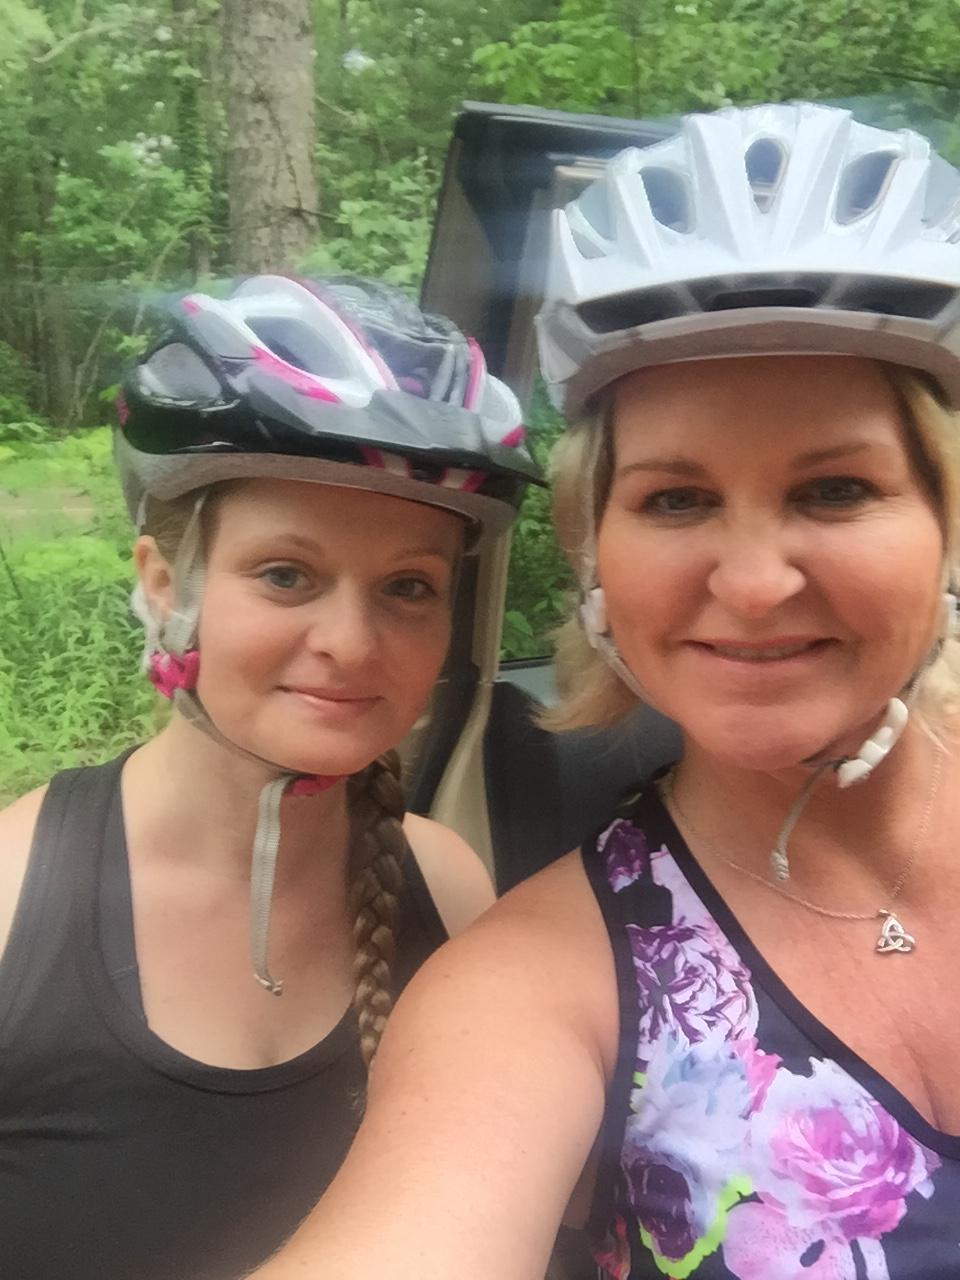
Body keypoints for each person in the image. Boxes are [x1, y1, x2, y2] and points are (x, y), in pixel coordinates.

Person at [251, 103, 960, 1280]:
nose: (753, 581)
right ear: (592, 559)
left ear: (944, 524)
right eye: (675, 500)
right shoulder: (536, 988)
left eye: (835, 488)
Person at [0, 274, 539, 1279]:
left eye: (409, 586)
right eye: (286, 573)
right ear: (166, 584)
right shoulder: (12, 895)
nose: (352, 641)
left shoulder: (452, 889)